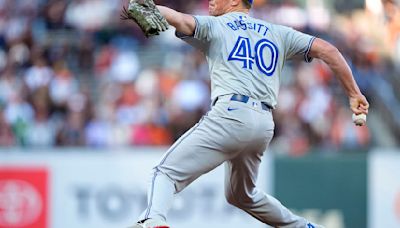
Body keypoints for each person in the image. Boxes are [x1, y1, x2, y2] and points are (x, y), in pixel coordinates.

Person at [130, 0, 369, 227]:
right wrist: (353, 93)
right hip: (263, 123)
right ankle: (305, 227)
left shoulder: (218, 25)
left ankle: (153, 221)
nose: (211, 1)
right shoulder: (278, 32)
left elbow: (180, 19)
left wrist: (147, 6)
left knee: (165, 173)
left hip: (230, 114)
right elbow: (328, 50)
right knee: (242, 195)